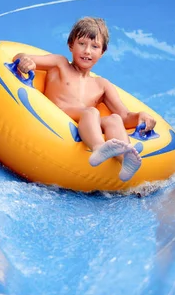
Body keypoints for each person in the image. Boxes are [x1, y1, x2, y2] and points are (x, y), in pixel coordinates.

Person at [13, 17, 156, 182]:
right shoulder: (59, 64)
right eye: (82, 44)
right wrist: (25, 60)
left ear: (102, 53)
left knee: (114, 119)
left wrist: (141, 116)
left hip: (86, 123)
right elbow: (21, 55)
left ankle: (125, 160)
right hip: (57, 118)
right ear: (71, 45)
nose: (87, 51)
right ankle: (98, 147)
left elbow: (124, 116)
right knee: (91, 111)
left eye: (95, 46)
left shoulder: (102, 85)